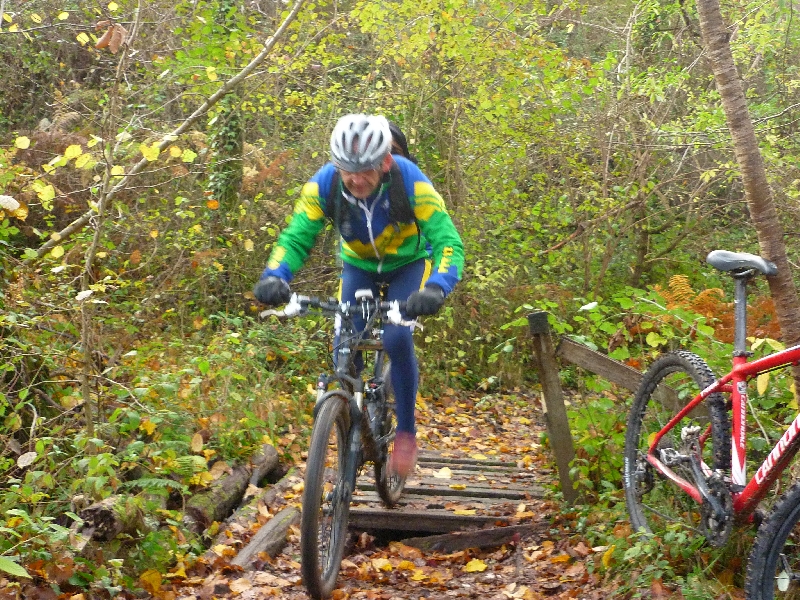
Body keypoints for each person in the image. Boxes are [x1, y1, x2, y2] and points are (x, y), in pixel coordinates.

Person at [253, 114, 464, 477]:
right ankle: (348, 425)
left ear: (384, 162)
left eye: (365, 169)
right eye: (347, 170)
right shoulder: (324, 185)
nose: (356, 179)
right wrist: (275, 275)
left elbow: (448, 241)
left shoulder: (410, 180)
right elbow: (296, 236)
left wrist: (436, 287)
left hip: (409, 264)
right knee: (344, 345)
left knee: (397, 336)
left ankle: (406, 432)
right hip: (358, 266)